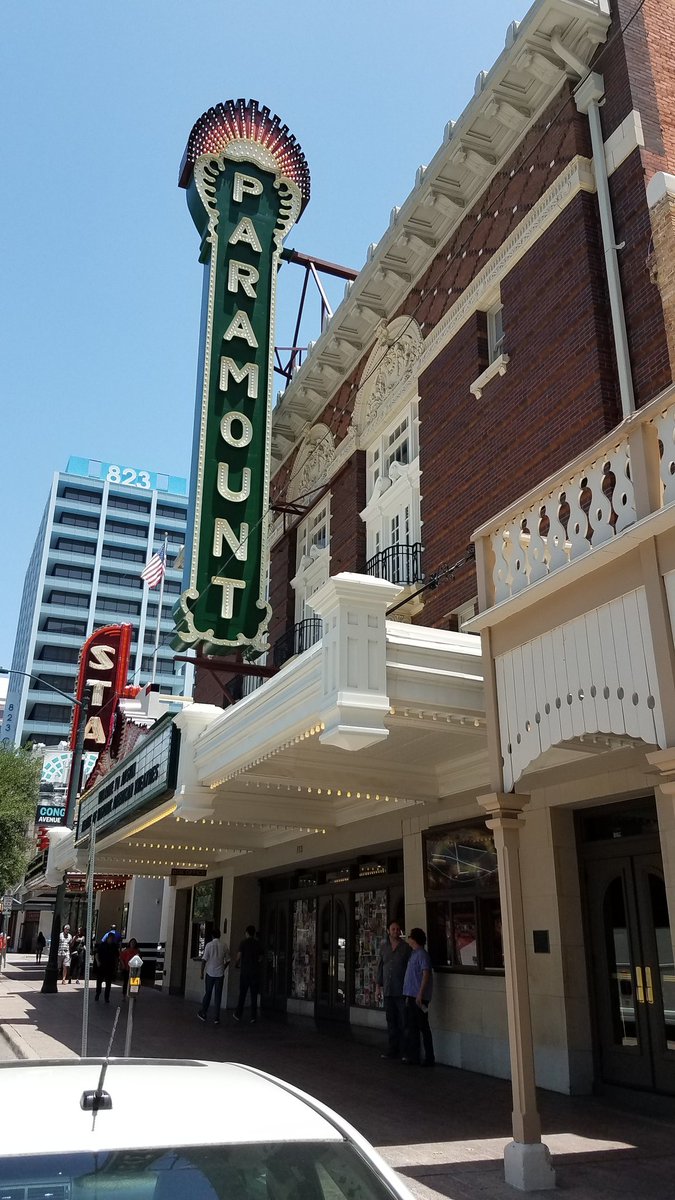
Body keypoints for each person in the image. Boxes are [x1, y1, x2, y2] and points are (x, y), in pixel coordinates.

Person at [375, 919, 411, 1059]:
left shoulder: (406, 948)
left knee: (404, 1021)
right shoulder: (384, 948)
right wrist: (378, 987)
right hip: (388, 990)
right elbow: (380, 968)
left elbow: (409, 969)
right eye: (393, 929)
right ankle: (392, 1049)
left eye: (398, 929)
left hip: (401, 990)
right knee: (391, 1021)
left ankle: (405, 1051)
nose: (396, 931)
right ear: (388, 931)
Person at [402, 927, 435, 1067]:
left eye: (410, 937)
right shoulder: (414, 954)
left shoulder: (422, 955)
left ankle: (429, 1057)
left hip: (418, 997)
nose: (408, 939)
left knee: (423, 1027)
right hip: (411, 995)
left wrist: (420, 993)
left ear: (414, 939)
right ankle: (413, 1056)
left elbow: (426, 973)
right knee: (412, 1027)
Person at [197, 928, 230, 1025]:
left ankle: (203, 1012)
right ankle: (216, 1018)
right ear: (220, 935)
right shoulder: (224, 946)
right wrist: (223, 968)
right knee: (218, 995)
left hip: (210, 973)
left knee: (208, 993)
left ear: (212, 936)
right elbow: (228, 960)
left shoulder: (209, 945)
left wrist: (201, 972)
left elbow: (204, 960)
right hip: (220, 974)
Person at [233, 925, 262, 1024]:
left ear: (246, 932)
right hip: (255, 972)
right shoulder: (258, 944)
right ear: (254, 933)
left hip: (245, 972)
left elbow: (239, 956)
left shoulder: (243, 943)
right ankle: (253, 1016)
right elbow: (260, 958)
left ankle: (238, 1014)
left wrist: (236, 964)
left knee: (243, 994)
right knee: (254, 995)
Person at [94, 931, 119, 1003]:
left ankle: (106, 997)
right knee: (99, 982)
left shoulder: (114, 946)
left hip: (110, 966)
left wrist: (116, 966)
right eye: (110, 938)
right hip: (102, 966)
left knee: (108, 983)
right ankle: (98, 994)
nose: (111, 939)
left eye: (112, 938)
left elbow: (116, 957)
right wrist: (98, 962)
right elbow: (97, 954)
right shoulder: (102, 945)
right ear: (108, 938)